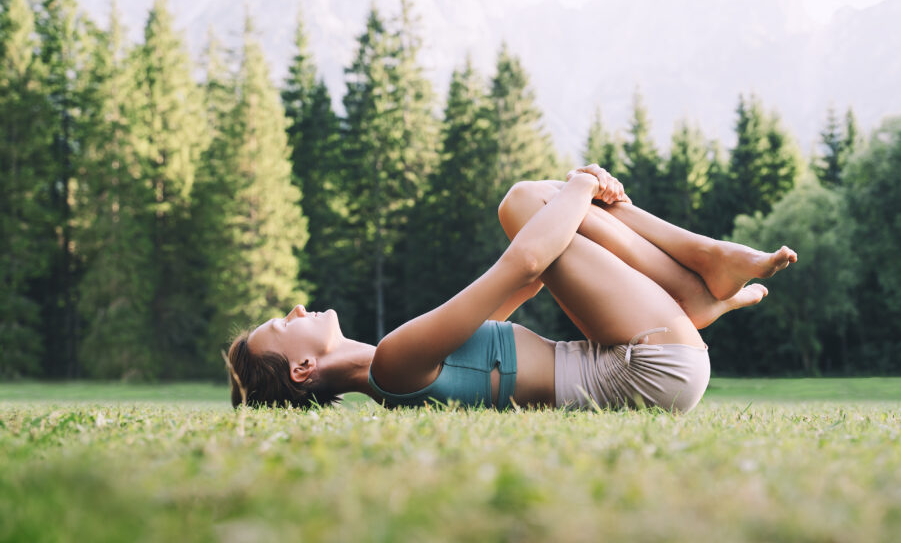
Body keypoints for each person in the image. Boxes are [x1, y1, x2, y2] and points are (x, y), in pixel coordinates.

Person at [227, 165, 796, 412]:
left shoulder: (392, 368)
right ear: (303, 369)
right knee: (525, 201)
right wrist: (579, 184)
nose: (296, 309)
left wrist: (572, 199)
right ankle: (702, 274)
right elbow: (524, 262)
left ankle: (703, 281)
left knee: (532, 204)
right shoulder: (394, 365)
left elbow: (518, 291)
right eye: (283, 324)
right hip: (650, 367)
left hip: (654, 365)